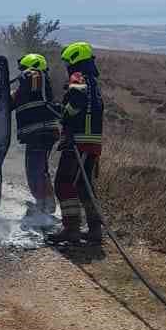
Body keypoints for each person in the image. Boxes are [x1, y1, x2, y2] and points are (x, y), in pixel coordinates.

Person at [47, 40, 104, 249]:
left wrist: (63, 114)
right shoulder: (93, 82)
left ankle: (71, 229)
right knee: (83, 186)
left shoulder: (78, 77)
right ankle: (95, 229)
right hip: (92, 142)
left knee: (63, 183)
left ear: (74, 60)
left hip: (79, 142)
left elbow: (77, 102)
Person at [10, 53, 59, 220]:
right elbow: (9, 102)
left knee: (36, 170)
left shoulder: (38, 77)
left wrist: (25, 73)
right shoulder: (25, 88)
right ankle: (44, 203)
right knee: (36, 170)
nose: (23, 71)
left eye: (24, 68)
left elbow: (33, 77)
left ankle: (45, 205)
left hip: (42, 132)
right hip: (36, 134)